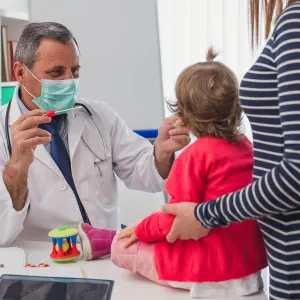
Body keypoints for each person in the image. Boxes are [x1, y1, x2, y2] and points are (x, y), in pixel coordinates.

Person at [0, 22, 190, 247]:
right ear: (21, 72)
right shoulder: (4, 134)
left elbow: (144, 173)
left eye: (75, 70)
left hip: (106, 256)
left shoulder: (98, 115)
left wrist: (161, 152)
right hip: (41, 266)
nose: (69, 80)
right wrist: (17, 168)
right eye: (56, 72)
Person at [161, 1, 300, 299]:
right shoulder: (245, 146)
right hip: (256, 271)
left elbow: (296, 174)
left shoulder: (295, 22)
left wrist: (207, 215)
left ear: (183, 114)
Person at [108, 49, 267, 297]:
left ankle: (101, 241)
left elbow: (175, 217)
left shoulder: (195, 156)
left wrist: (141, 229)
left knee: (120, 247)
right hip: (248, 267)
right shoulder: (248, 147)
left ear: (182, 115)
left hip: (208, 271)